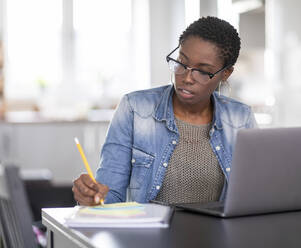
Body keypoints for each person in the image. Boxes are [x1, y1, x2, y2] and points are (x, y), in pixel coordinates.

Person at [72, 16, 257, 206]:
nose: (186, 78)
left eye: (202, 71)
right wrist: (93, 197)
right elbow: (109, 198)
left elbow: (252, 195)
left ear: (225, 74)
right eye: (182, 63)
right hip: (149, 234)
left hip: (217, 235)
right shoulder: (135, 108)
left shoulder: (241, 118)